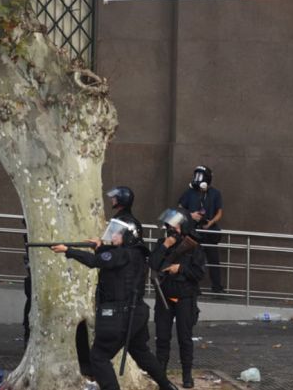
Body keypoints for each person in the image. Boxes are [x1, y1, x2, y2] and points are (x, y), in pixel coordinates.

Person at [50, 220, 178, 390]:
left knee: (99, 357)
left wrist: (69, 250)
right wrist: (100, 246)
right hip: (137, 313)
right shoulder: (137, 253)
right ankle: (167, 386)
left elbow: (95, 261)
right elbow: (110, 258)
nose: (114, 236)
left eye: (118, 233)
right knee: (141, 353)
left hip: (118, 315)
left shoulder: (123, 254)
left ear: (128, 236)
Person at [150, 208, 206, 389]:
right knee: (162, 337)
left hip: (185, 297)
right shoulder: (162, 243)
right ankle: (161, 375)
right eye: (169, 225)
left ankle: (187, 375)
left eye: (174, 225)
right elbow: (152, 263)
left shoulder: (193, 246)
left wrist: (180, 268)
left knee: (185, 338)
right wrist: (165, 246)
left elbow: (198, 273)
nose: (170, 228)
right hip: (164, 296)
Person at [177, 166, 225, 294]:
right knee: (192, 259)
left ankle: (217, 288)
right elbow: (180, 208)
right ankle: (193, 287)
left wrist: (211, 222)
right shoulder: (190, 192)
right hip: (193, 232)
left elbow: (219, 212)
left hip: (210, 232)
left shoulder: (215, 193)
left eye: (201, 176)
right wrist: (191, 215)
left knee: (213, 260)